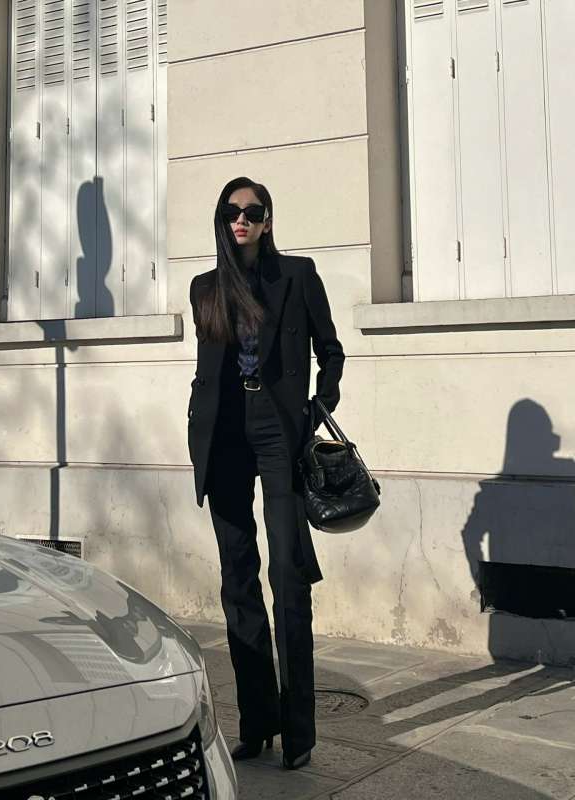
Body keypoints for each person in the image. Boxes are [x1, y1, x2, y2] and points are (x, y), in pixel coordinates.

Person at [188, 176, 344, 770]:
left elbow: (331, 350)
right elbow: (207, 368)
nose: (242, 220)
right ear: (222, 219)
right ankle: (256, 723)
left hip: (279, 431)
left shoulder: (297, 276)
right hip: (224, 436)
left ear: (268, 220)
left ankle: (299, 733)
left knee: (287, 576)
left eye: (253, 212)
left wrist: (317, 405)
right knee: (237, 581)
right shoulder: (205, 287)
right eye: (232, 211)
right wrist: (195, 419)